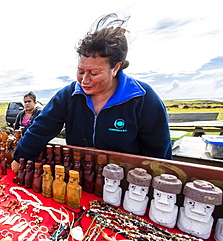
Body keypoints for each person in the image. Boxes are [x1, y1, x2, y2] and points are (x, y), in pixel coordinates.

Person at [12, 13, 172, 173]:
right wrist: (19, 157)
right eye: (80, 71)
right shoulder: (68, 96)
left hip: (127, 184)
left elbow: (159, 156)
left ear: (115, 68)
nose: (84, 81)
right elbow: (40, 129)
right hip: (80, 176)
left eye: (94, 73)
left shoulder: (143, 98)